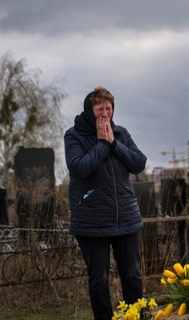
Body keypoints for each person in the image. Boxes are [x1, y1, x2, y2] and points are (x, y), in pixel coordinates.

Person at [64, 86, 147, 320]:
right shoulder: (74, 135)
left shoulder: (121, 133)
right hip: (92, 220)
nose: (104, 113)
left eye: (108, 108)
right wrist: (102, 144)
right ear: (90, 111)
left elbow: (139, 163)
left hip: (126, 218)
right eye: (99, 108)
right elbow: (79, 167)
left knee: (132, 275)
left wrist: (113, 144)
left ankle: (136, 316)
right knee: (99, 279)